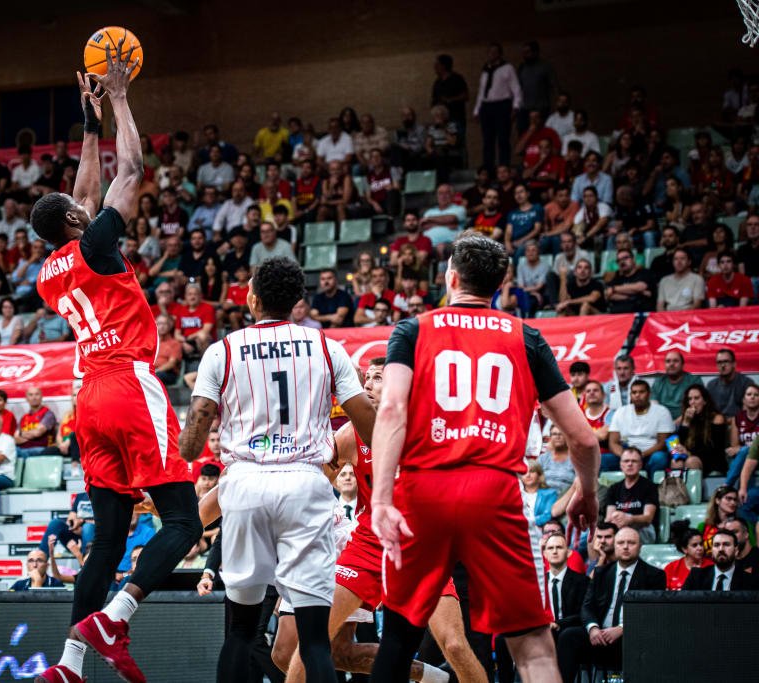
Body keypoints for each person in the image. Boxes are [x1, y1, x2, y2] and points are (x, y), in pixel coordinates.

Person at [30, 48, 202, 683]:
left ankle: (70, 662)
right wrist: (122, 97)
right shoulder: (99, 244)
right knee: (182, 520)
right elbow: (130, 171)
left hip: (87, 402)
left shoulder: (50, 271)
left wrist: (88, 123)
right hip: (129, 385)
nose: (85, 202)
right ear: (76, 222)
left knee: (106, 540)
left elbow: (84, 193)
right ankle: (116, 616)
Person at [368, 232, 599, 683]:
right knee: (533, 647)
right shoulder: (525, 337)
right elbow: (584, 440)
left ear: (450, 277)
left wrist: (381, 499)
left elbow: (392, 409)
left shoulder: (413, 330)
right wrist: (586, 493)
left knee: (397, 638)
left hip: (423, 490)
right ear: (499, 285)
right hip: (495, 491)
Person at [180, 255, 375, 683]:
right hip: (306, 483)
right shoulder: (328, 347)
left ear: (252, 300)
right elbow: (367, 423)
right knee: (315, 641)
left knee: (241, 632)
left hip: (246, 483)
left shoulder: (223, 350)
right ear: (298, 302)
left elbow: (192, 445)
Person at [279, 359, 479, 683]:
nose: (368, 385)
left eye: (377, 378)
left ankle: (439, 677)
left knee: (455, 645)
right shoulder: (349, 434)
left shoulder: (430, 429)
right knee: (313, 641)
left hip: (423, 548)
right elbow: (311, 481)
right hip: (369, 544)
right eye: (366, 378)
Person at [556, 528, 665, 683]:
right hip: (599, 635)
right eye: (621, 543)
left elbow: (653, 614)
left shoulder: (654, 575)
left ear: (640, 546)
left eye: (631, 543)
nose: (626, 547)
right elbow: (587, 606)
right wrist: (593, 628)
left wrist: (621, 628)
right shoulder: (601, 572)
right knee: (569, 636)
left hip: (631, 636)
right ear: (615, 546)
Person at [608, 380, 675, 477]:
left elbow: (662, 443)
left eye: (641, 392)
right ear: (630, 395)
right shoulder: (621, 412)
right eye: (634, 392)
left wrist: (640, 455)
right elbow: (613, 442)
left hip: (650, 453)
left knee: (660, 458)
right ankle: (612, 491)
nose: (637, 395)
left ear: (649, 394)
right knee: (603, 460)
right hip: (626, 452)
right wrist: (625, 456)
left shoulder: (662, 412)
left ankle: (653, 490)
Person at [603, 448, 658, 544]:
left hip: (644, 530)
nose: (630, 464)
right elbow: (609, 518)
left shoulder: (649, 486)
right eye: (626, 461)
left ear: (640, 465)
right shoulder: (614, 488)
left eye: (634, 461)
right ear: (621, 465)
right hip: (618, 528)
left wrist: (629, 519)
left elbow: (648, 518)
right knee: (595, 535)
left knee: (621, 532)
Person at [674, 384, 730, 474]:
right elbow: (678, 444)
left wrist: (688, 453)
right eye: (690, 399)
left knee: (691, 461)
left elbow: (714, 450)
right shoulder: (686, 418)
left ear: (705, 401)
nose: (693, 402)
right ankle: (677, 488)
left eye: (696, 398)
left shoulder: (717, 418)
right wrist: (685, 423)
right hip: (691, 456)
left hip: (712, 461)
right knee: (676, 462)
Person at [543, 533, 589, 637]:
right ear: (545, 554)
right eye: (550, 548)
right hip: (542, 631)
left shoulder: (582, 581)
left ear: (568, 552)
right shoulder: (538, 583)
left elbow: (583, 613)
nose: (554, 551)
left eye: (559, 547)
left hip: (568, 631)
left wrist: (558, 624)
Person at [683, 528, 759, 590]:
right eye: (716, 545)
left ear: (736, 551)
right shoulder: (696, 576)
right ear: (712, 551)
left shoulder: (750, 580)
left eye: (726, 544)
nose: (721, 549)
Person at [707, 349, 757, 419]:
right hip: (719, 424)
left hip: (740, 424)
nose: (723, 365)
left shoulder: (746, 383)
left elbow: (750, 411)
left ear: (734, 364)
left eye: (726, 361)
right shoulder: (711, 386)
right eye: (719, 362)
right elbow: (709, 411)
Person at [650, 351, 698, 421]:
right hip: (662, 422)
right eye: (668, 361)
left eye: (675, 361)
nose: (671, 364)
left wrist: (676, 423)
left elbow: (696, 406)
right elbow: (654, 407)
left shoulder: (693, 380)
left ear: (682, 364)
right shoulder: (659, 381)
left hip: (687, 421)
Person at [14, 387, 57, 458]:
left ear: (41, 397)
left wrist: (22, 434)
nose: (34, 397)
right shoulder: (24, 417)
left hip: (42, 450)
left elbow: (37, 433)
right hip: (22, 450)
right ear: (27, 398)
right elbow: (16, 438)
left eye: (37, 394)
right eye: (31, 395)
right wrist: (30, 436)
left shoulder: (48, 414)